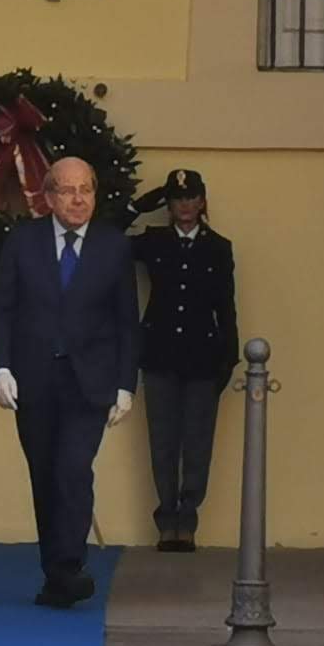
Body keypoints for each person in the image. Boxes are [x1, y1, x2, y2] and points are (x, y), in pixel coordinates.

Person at [0, 156, 138, 609]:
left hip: (89, 382)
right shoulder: (23, 241)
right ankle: (56, 576)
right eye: (68, 190)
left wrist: (125, 385)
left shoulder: (113, 246)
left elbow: (127, 321)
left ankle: (70, 565)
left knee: (73, 469)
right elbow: (1, 308)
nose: (78, 199)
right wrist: (0, 368)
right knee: (45, 475)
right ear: (49, 197)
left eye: (86, 189)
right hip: (34, 380)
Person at [125, 169, 238, 551]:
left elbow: (226, 306)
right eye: (176, 198)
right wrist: (137, 207)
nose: (185, 205)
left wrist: (229, 356)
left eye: (191, 197)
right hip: (159, 354)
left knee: (197, 442)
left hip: (203, 356)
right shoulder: (155, 241)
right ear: (168, 204)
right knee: (162, 442)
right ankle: (166, 520)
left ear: (202, 201)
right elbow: (105, 240)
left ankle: (187, 520)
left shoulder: (218, 247)